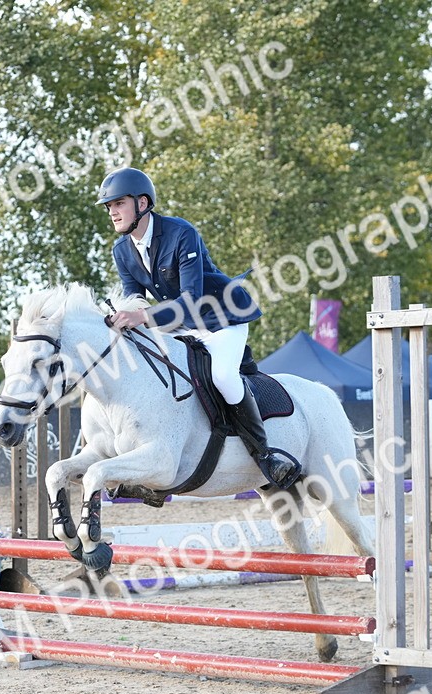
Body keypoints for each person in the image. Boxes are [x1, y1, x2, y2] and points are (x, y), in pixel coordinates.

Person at [96, 167, 300, 488]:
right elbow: (134, 300)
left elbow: (190, 300)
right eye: (109, 206)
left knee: (222, 377)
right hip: (180, 326)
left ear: (143, 203)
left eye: (118, 203)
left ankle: (265, 455)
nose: (112, 211)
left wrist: (144, 317)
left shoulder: (181, 233)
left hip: (221, 319)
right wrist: (120, 319)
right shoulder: (121, 251)